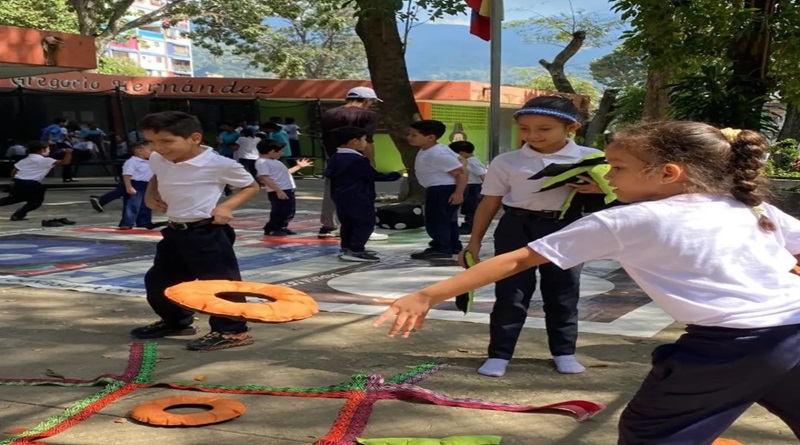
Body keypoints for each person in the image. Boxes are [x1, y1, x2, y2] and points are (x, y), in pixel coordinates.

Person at [374, 121, 800, 445]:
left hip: (729, 346)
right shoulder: (746, 205)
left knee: (650, 431)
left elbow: (521, 258)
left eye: (618, 167)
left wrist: (428, 294)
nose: (608, 176)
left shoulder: (628, 219)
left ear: (668, 172)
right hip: (793, 329)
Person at [452, 96, 612, 377]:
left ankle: (564, 352)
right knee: (510, 292)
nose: (532, 135)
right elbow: (490, 202)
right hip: (516, 227)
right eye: (525, 129)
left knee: (563, 292)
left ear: (571, 127)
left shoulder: (591, 159)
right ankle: (499, 355)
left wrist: (598, 191)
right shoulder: (507, 161)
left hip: (565, 229)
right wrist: (474, 242)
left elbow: (622, 191)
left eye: (544, 129)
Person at [130, 111, 261, 352]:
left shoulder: (219, 164)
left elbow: (251, 186)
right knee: (159, 281)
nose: (158, 148)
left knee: (220, 284)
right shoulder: (158, 158)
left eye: (167, 141)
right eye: (150, 141)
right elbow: (156, 176)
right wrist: (150, 195)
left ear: (194, 138)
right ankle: (177, 321)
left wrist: (226, 206)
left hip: (207, 231)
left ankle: (232, 331)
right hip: (174, 231)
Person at [324, 126, 402, 262]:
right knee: (365, 223)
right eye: (364, 139)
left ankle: (347, 247)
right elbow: (372, 175)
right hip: (359, 196)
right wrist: (395, 175)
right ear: (354, 141)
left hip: (341, 196)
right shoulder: (357, 160)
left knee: (348, 223)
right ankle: (356, 250)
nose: (366, 143)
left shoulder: (336, 157)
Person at [318, 86, 382, 239]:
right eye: (372, 102)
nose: (371, 105)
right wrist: (370, 161)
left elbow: (326, 137)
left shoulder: (329, 114)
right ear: (367, 101)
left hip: (335, 157)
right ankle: (359, 226)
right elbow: (368, 140)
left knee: (332, 191)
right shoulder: (369, 115)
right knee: (360, 193)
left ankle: (328, 225)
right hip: (356, 159)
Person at [408, 119, 466, 260]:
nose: (409, 138)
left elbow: (462, 171)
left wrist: (459, 192)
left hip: (441, 189)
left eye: (414, 135)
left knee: (437, 220)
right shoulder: (437, 149)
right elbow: (462, 160)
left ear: (430, 137)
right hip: (439, 188)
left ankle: (440, 247)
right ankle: (453, 245)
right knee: (448, 219)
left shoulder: (437, 153)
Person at [0, 141, 73, 223]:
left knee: (13, 198)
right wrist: (68, 153)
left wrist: (13, 180)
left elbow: (14, 171)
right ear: (42, 150)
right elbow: (65, 162)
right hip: (32, 183)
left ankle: (18, 214)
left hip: (19, 182)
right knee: (35, 202)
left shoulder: (25, 160)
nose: (49, 150)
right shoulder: (46, 160)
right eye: (48, 149)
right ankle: (18, 215)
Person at [256, 140, 313, 236]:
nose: (282, 153)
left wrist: (298, 167)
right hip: (278, 190)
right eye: (281, 151)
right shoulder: (262, 162)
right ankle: (272, 228)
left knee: (289, 210)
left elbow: (286, 173)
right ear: (272, 151)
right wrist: (278, 191)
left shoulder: (275, 162)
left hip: (287, 189)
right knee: (279, 210)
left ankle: (282, 226)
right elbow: (264, 177)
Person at [450, 141, 486, 234]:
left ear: (461, 153)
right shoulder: (469, 161)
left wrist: (487, 189)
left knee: (472, 208)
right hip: (469, 187)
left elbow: (483, 175)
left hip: (473, 188)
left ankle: (469, 226)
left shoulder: (472, 162)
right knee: (467, 207)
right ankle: (467, 225)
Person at [118, 143, 153, 230]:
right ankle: (127, 222)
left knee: (146, 204)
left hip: (147, 184)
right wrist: (129, 186)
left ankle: (144, 222)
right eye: (150, 150)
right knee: (133, 204)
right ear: (140, 151)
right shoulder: (132, 162)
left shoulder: (149, 162)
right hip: (136, 183)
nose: (152, 152)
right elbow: (127, 174)